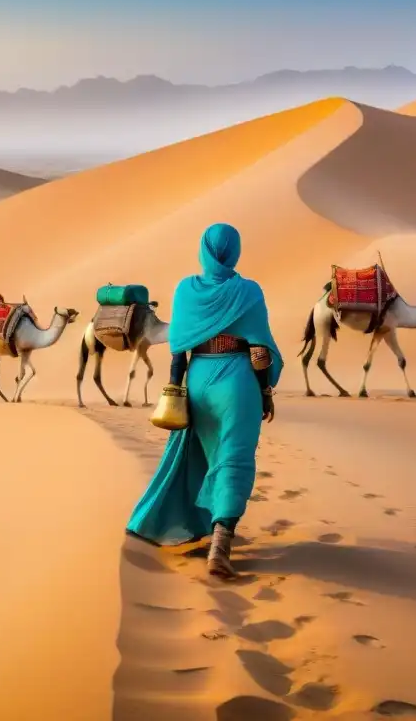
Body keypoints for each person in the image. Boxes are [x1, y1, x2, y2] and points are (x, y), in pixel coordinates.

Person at [126, 223, 281, 578]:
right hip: (239, 382)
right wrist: (266, 391)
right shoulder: (249, 291)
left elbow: (178, 349)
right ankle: (221, 544)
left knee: (205, 454)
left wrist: (173, 391)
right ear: (235, 251)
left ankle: (203, 528)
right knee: (233, 459)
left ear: (204, 251)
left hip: (197, 381)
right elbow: (260, 350)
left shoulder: (186, 291)